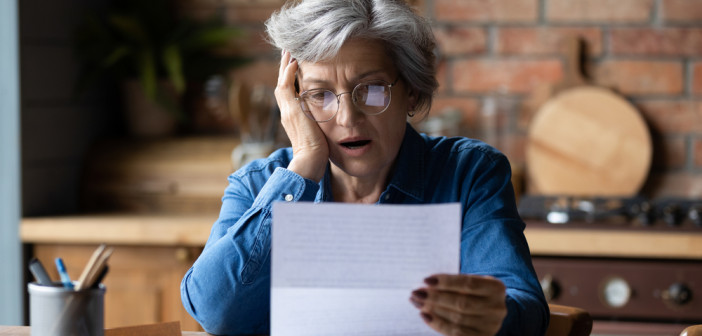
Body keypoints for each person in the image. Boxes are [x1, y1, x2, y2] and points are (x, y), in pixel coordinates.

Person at [181, 0, 549, 335]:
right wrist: (303, 166)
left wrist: (496, 316)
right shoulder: (258, 183)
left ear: (412, 93)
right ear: (295, 103)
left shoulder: (469, 172)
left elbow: (525, 306)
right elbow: (214, 313)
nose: (347, 118)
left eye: (371, 89)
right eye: (320, 95)